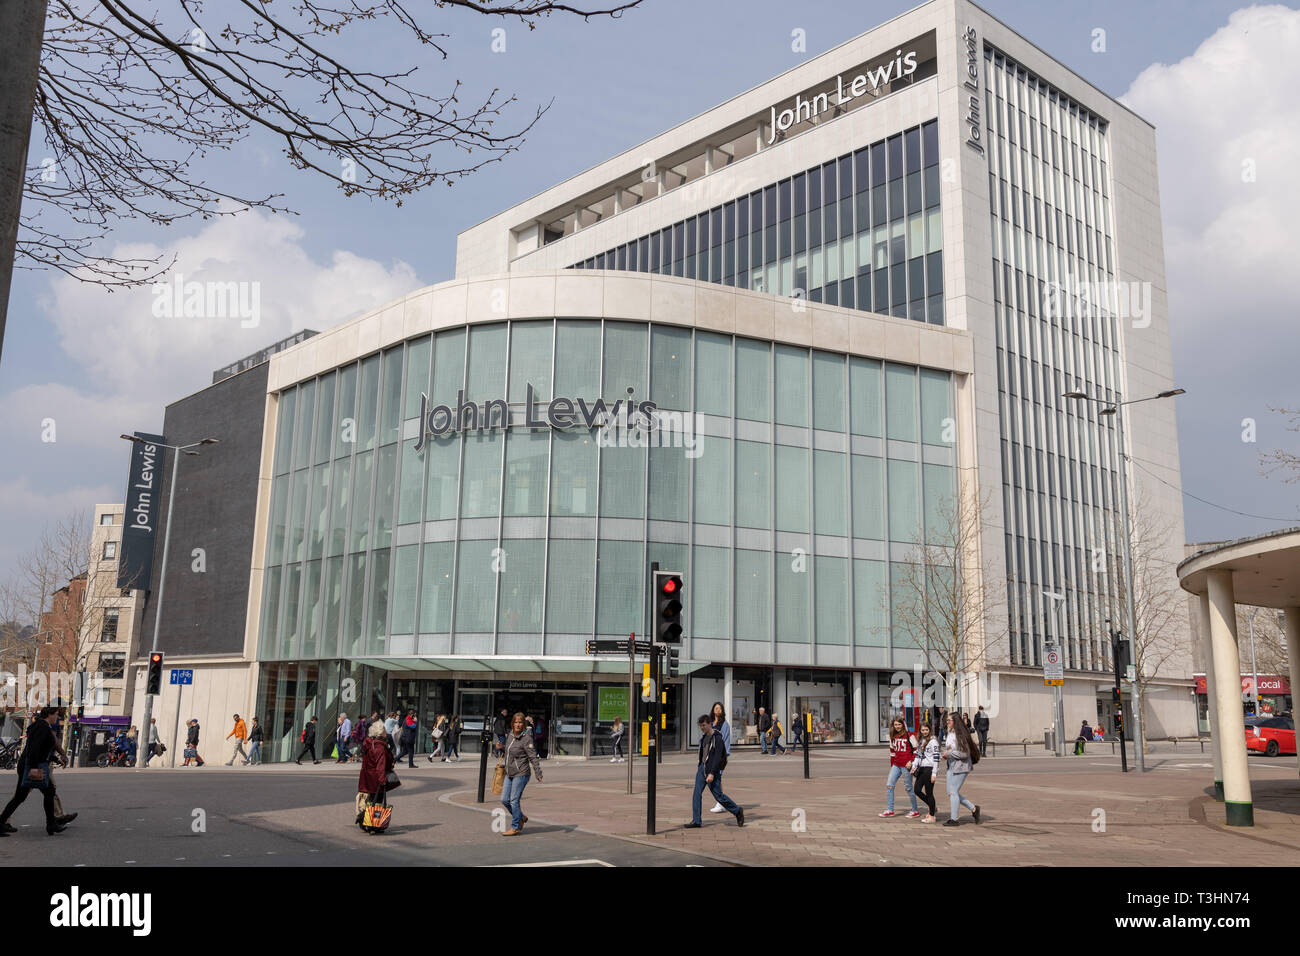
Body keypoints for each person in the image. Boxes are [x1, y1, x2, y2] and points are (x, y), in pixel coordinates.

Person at [0, 707, 65, 837]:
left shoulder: (40, 726)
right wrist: (34, 768)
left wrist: (54, 759)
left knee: (24, 796)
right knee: (45, 792)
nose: (57, 718)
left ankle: (51, 824)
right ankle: (51, 824)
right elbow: (34, 749)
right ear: (49, 714)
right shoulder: (42, 727)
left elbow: (40, 749)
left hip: (29, 764)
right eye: (56, 715)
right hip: (31, 765)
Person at [685, 715, 743, 829]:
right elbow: (703, 754)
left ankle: (737, 811)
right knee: (696, 794)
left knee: (719, 796)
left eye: (704, 725)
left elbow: (717, 758)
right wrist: (700, 766)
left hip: (712, 771)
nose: (702, 728)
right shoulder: (704, 738)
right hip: (702, 769)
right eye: (700, 726)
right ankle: (696, 820)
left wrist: (712, 773)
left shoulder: (717, 738)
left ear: (710, 724)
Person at [499, 712, 542, 836]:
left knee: (513, 800)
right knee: (504, 800)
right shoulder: (510, 735)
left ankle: (516, 826)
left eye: (520, 722)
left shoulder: (527, 738)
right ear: (512, 724)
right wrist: (501, 748)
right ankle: (521, 817)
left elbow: (533, 757)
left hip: (521, 773)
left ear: (523, 724)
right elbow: (509, 752)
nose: (518, 725)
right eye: (516, 722)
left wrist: (538, 773)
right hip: (509, 772)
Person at [941, 712, 980, 827]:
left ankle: (954, 819)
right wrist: (946, 755)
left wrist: (949, 753)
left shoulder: (961, 735)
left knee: (953, 792)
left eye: (949, 720)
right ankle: (973, 809)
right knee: (951, 792)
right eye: (947, 720)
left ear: (955, 722)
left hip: (961, 767)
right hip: (951, 766)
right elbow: (950, 749)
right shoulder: (950, 733)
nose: (947, 722)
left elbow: (965, 753)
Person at [356, 719, 395, 828]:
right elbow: (380, 765)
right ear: (380, 733)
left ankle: (365, 821)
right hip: (376, 779)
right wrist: (382, 780)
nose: (386, 733)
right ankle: (370, 822)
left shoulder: (370, 743)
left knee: (370, 801)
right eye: (384, 731)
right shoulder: (380, 747)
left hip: (367, 776)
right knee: (376, 803)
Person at [880, 716, 920, 818]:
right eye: (895, 724)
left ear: (903, 724)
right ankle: (890, 809)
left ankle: (915, 810)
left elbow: (916, 750)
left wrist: (911, 761)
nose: (897, 726)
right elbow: (892, 752)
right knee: (889, 785)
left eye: (899, 724)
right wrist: (892, 765)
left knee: (908, 788)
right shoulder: (892, 736)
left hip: (906, 766)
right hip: (896, 765)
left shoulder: (909, 735)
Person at [913, 721, 940, 823]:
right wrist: (914, 765)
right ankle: (932, 806)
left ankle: (932, 816)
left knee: (929, 793)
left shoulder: (933, 741)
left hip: (929, 769)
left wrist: (934, 773)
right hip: (921, 769)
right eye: (922, 730)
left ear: (929, 730)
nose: (924, 732)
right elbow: (918, 755)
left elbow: (937, 758)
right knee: (917, 790)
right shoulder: (921, 740)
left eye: (926, 730)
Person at [708, 702, 732, 814]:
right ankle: (721, 802)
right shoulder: (710, 723)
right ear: (713, 710)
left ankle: (721, 803)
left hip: (719, 755)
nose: (717, 710)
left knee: (717, 778)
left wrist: (725, 754)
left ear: (722, 711)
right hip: (710, 755)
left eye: (719, 708)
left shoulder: (725, 725)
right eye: (716, 708)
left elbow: (726, 740)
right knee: (716, 779)